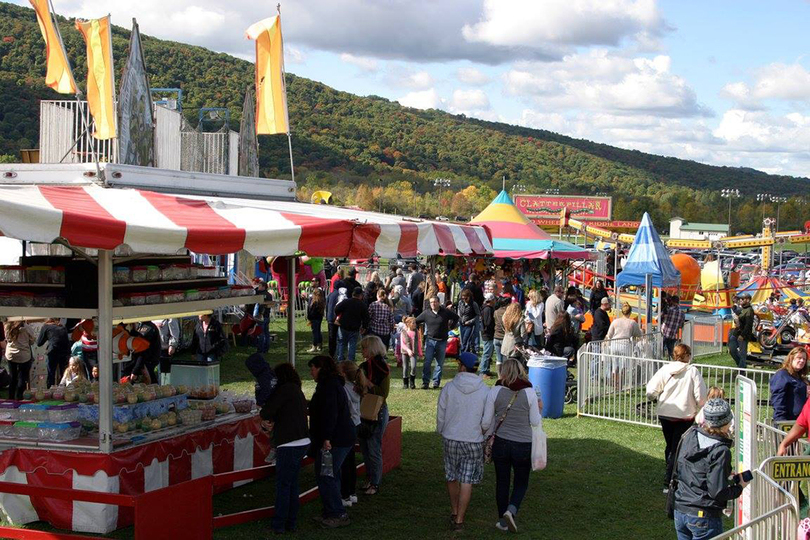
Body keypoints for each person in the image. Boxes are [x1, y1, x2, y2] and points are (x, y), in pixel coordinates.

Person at [672, 398, 748, 539]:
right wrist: (740, 487)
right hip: (703, 515)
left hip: (681, 510)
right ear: (727, 422)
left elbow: (686, 467)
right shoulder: (721, 451)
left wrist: (722, 473)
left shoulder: (690, 434)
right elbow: (717, 492)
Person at [481, 358, 542, 533]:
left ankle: (502, 519)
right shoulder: (529, 392)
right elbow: (535, 421)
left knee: (502, 481)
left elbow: (487, 422)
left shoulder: (495, 390)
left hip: (501, 442)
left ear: (503, 372)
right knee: (521, 482)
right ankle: (511, 509)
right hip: (523, 443)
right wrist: (539, 409)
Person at [436, 352, 490, 532]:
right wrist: (483, 432)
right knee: (467, 480)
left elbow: (441, 414)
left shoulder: (449, 388)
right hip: (473, 440)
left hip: (451, 437)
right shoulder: (484, 390)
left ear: (462, 367)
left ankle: (454, 511)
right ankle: (460, 519)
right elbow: (487, 420)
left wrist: (441, 429)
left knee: (451, 476)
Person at [645, 344, 707, 491]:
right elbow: (701, 395)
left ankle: (671, 472)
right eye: (689, 354)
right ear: (685, 355)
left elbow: (651, 389)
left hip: (666, 413)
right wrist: (700, 405)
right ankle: (670, 479)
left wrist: (654, 397)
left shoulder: (665, 369)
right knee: (676, 447)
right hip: (684, 415)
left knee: (671, 445)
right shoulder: (693, 371)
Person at [260, 362, 309, 535]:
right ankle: (291, 522)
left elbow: (267, 411)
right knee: (292, 484)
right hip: (301, 441)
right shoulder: (296, 390)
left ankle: (279, 524)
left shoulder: (285, 390)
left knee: (283, 485)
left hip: (289, 443)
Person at [308, 355, 356, 529]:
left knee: (326, 474)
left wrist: (326, 438)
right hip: (340, 436)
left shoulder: (328, 387)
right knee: (331, 474)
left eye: (312, 368)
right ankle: (332, 510)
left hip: (336, 438)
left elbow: (330, 414)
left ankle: (337, 513)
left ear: (320, 368)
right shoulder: (331, 384)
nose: (311, 372)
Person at [357, 336, 391, 495]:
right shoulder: (363, 366)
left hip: (377, 411)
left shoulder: (383, 368)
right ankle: (370, 478)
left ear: (372, 349)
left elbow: (383, 394)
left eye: (364, 348)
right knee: (364, 447)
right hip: (363, 410)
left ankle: (375, 483)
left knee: (373, 447)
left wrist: (368, 384)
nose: (361, 351)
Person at [416, 296, 460, 389]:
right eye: (431, 302)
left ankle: (436, 382)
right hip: (430, 341)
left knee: (439, 363)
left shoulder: (445, 312)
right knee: (427, 362)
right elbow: (416, 321)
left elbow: (456, 317)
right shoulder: (426, 313)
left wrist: (451, 327)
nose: (433, 304)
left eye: (435, 302)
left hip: (442, 341)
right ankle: (425, 382)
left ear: (439, 302)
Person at [338, 361, 364, 508]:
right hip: (356, 423)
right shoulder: (355, 387)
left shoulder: (343, 388)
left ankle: (345, 494)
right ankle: (351, 492)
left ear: (343, 373)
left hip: (348, 425)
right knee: (350, 460)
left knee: (345, 462)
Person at [770, 346, 809, 422]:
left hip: (801, 421)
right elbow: (778, 399)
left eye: (804, 359)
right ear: (791, 358)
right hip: (788, 421)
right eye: (799, 358)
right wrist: (781, 421)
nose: (802, 361)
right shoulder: (782, 375)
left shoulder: (802, 378)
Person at [335, 287, 370, 362]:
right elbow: (366, 317)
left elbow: (337, 308)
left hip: (343, 325)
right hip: (355, 327)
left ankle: (340, 358)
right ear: (360, 295)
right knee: (352, 344)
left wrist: (339, 316)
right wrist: (364, 326)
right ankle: (350, 360)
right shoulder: (362, 304)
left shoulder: (346, 301)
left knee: (341, 343)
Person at [4, 321, 36, 400]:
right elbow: (32, 340)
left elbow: (7, 339)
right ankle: (20, 397)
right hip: (24, 355)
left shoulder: (8, 326)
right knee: (22, 377)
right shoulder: (26, 328)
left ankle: (11, 397)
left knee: (13, 376)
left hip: (11, 354)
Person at [36, 318, 71, 387]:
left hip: (53, 350)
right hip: (64, 351)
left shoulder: (46, 326)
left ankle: (50, 390)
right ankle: (64, 390)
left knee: (51, 373)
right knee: (64, 373)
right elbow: (67, 341)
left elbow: (39, 343)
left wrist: (47, 337)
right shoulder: (62, 326)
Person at [728, 293, 754, 369]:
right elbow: (736, 311)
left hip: (743, 335)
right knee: (732, 350)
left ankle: (741, 370)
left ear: (748, 300)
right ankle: (741, 365)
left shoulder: (749, 310)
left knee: (742, 353)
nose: (741, 300)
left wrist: (742, 335)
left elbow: (748, 325)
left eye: (742, 299)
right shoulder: (742, 308)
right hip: (736, 332)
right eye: (740, 299)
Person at [154, 318, 180, 384]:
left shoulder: (170, 316)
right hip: (155, 348)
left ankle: (166, 386)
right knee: (158, 372)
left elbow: (175, 331)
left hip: (165, 349)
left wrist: (172, 345)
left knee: (165, 372)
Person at [326, 280, 347, 358]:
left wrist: (327, 316)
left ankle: (331, 353)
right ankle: (339, 353)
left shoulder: (330, 295)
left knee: (331, 337)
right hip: (338, 319)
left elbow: (327, 306)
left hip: (330, 318)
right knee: (340, 337)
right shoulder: (341, 295)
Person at [399, 316, 421, 389]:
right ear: (408, 324)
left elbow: (418, 342)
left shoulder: (416, 332)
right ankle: (405, 383)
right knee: (405, 367)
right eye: (413, 323)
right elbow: (402, 344)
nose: (415, 324)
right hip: (405, 352)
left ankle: (412, 382)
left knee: (413, 366)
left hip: (413, 352)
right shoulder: (403, 332)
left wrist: (420, 352)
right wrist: (408, 350)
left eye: (415, 323)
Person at [661, 295, 685, 360]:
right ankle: (672, 362)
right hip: (673, 334)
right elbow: (681, 325)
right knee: (671, 351)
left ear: (672, 301)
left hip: (664, 332)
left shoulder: (668, 310)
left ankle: (661, 362)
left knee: (660, 349)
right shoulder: (682, 312)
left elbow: (660, 318)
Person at [456, 289, 480, 354]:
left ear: (469, 297)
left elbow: (478, 315)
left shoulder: (473, 304)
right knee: (462, 340)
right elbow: (458, 311)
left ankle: (464, 353)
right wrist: (459, 319)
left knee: (466, 340)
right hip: (461, 324)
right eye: (462, 298)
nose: (464, 300)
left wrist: (470, 321)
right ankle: (464, 354)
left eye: (465, 298)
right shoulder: (460, 303)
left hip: (470, 325)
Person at [479, 293, 497, 377]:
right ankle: (483, 371)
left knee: (489, 353)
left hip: (487, 333)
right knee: (486, 353)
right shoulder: (488, 309)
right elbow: (488, 322)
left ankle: (486, 369)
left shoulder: (486, 308)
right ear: (492, 300)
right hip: (487, 334)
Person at [493, 296, 510, 369]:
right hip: (504, 338)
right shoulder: (508, 313)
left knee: (499, 358)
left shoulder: (496, 312)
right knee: (505, 358)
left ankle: (500, 376)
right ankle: (505, 374)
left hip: (496, 336)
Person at [307, 288, 326, 353]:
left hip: (314, 319)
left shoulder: (315, 302)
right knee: (318, 331)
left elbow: (311, 312)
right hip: (319, 318)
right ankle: (319, 345)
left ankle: (314, 346)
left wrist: (309, 318)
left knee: (315, 333)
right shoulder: (321, 301)